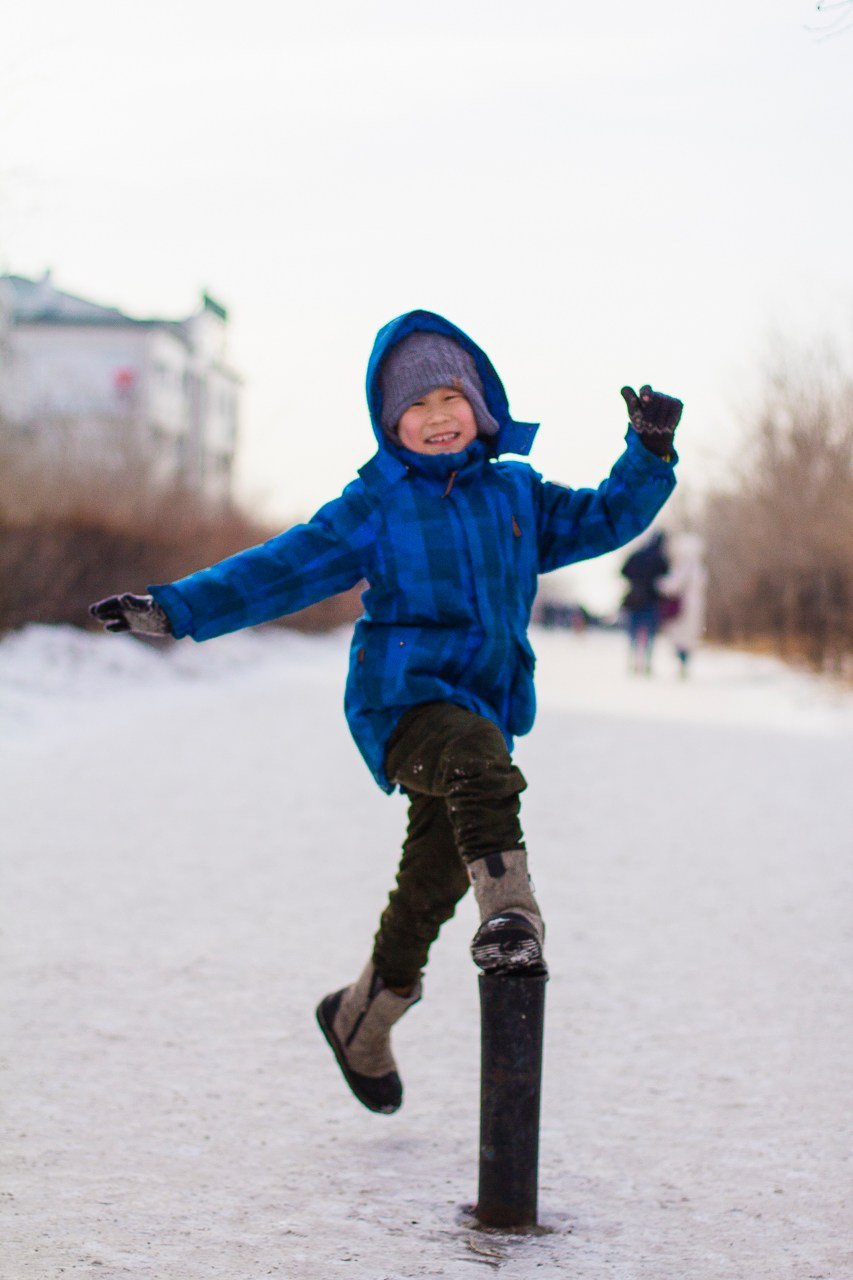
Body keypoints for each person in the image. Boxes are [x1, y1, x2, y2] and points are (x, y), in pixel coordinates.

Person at [90, 311, 682, 1115]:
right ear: (388, 422)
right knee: (477, 762)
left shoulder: (515, 493)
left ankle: (363, 1013)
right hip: (403, 704)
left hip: (483, 705)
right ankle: (512, 918)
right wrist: (175, 608)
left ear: (479, 405)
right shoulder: (375, 504)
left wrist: (646, 453)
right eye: (415, 406)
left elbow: (605, 517)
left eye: (450, 398)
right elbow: (279, 569)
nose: (436, 417)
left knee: (432, 879)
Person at [620, 529, 671, 674]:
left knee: (633, 634)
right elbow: (666, 577)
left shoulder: (636, 555)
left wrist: (635, 581)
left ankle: (633, 662)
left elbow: (623, 571)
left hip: (634, 599)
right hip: (652, 600)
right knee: (650, 635)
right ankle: (647, 664)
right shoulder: (660, 558)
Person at [659, 531, 708, 676]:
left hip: (681, 606)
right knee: (689, 637)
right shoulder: (700, 567)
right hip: (695, 606)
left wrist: (660, 584)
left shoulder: (682, 567)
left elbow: (673, 586)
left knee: (680, 636)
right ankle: (684, 664)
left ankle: (682, 664)